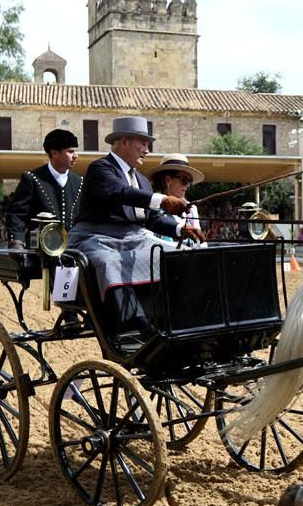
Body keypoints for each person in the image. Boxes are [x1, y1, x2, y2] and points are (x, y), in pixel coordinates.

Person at [68, 116, 205, 340]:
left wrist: (181, 230)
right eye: (142, 143)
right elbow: (121, 193)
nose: (147, 150)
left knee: (180, 257)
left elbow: (151, 219)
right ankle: (134, 327)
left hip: (135, 238)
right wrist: (162, 200)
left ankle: (176, 319)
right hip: (95, 238)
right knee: (108, 262)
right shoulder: (100, 168)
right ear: (124, 141)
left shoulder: (142, 180)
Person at [5, 128, 83, 249]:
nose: (76, 156)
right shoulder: (32, 179)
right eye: (70, 151)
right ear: (55, 153)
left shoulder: (79, 182)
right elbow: (16, 214)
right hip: (39, 252)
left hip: (73, 250)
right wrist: (17, 242)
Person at [148, 153, 204, 246]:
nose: (188, 185)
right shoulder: (151, 205)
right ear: (168, 180)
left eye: (190, 181)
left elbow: (199, 243)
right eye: (185, 180)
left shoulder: (192, 208)